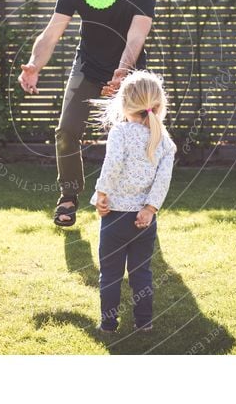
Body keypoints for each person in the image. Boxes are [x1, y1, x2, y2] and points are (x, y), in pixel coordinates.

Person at [17, 0, 157, 227]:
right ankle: (68, 197)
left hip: (129, 74)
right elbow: (52, 32)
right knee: (67, 130)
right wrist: (34, 65)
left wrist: (122, 72)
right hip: (88, 68)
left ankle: (135, 205)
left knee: (135, 140)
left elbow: (137, 35)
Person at [90, 69, 176, 333]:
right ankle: (144, 322)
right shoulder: (164, 141)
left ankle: (108, 324)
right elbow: (162, 182)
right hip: (144, 221)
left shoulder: (121, 133)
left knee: (111, 274)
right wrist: (149, 209)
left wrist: (100, 195)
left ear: (125, 104)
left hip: (115, 217)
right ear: (158, 106)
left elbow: (112, 166)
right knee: (142, 273)